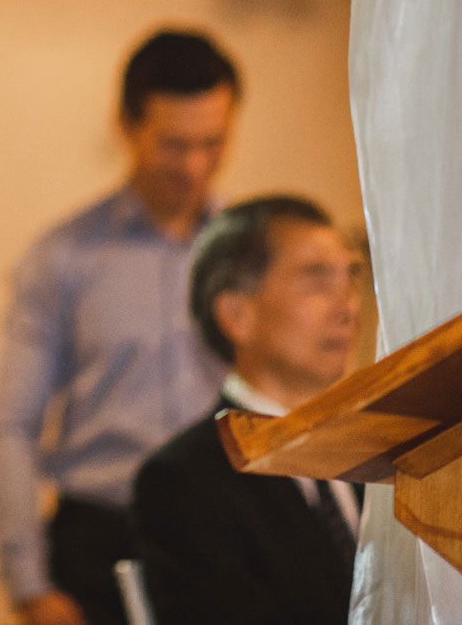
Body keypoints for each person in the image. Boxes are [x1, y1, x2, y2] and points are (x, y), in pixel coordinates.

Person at [0, 31, 240, 625]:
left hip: (224, 536)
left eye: (213, 143)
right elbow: (13, 426)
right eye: (174, 145)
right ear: (126, 126)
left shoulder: (250, 255)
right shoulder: (64, 257)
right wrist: (28, 582)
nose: (195, 166)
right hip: (98, 542)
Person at [130, 195, 363, 625]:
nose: (349, 306)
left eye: (351, 278)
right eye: (316, 280)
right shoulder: (185, 481)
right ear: (237, 315)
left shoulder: (376, 447)